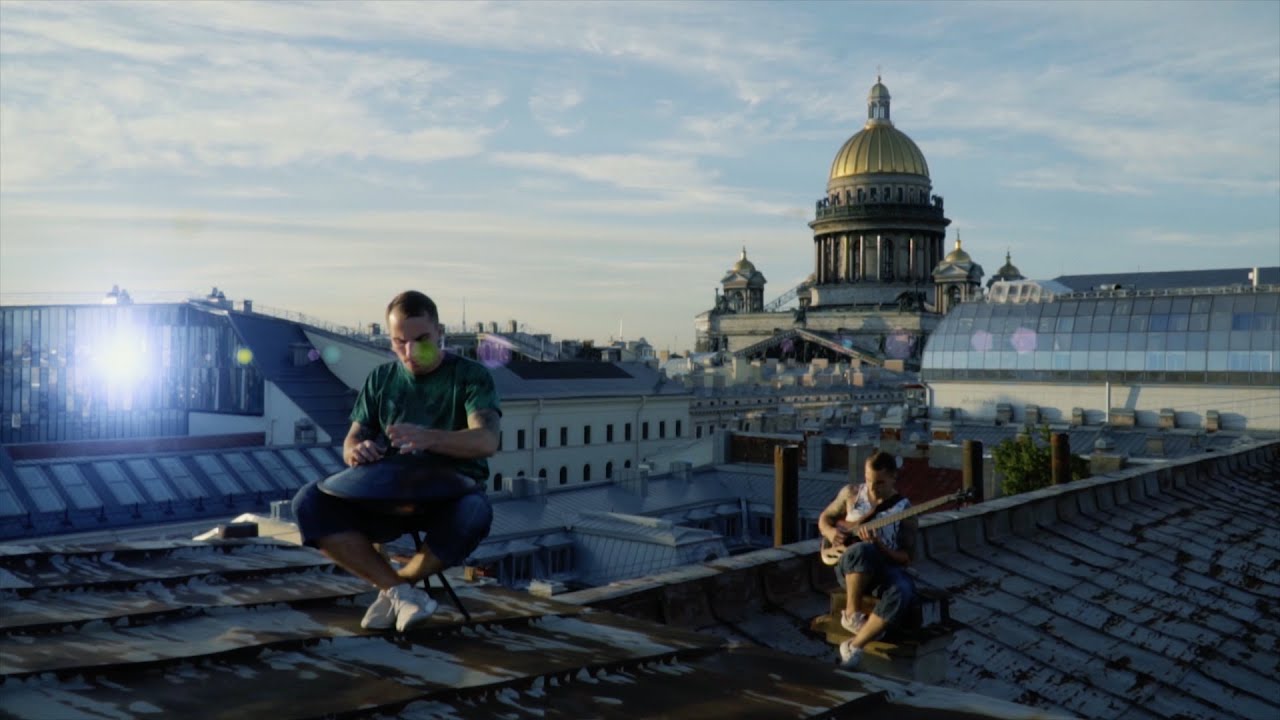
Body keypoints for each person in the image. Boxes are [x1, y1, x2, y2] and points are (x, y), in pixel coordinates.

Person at [291, 291, 499, 633]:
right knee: (308, 503)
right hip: (385, 497)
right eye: (399, 342)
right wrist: (357, 451)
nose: (410, 352)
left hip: (448, 496)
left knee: (474, 512)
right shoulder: (381, 379)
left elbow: (487, 440)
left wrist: (430, 438)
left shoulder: (470, 376)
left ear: (439, 332)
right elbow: (351, 440)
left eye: (422, 340)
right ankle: (401, 593)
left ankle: (396, 587)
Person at [817, 450, 917, 669]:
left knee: (904, 590)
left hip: (884, 569)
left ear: (893, 477)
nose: (873, 488)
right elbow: (825, 518)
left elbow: (907, 557)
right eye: (869, 480)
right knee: (862, 549)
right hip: (851, 569)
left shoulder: (904, 508)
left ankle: (855, 646)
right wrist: (831, 533)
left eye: (880, 483)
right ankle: (852, 614)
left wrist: (879, 545)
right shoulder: (851, 494)